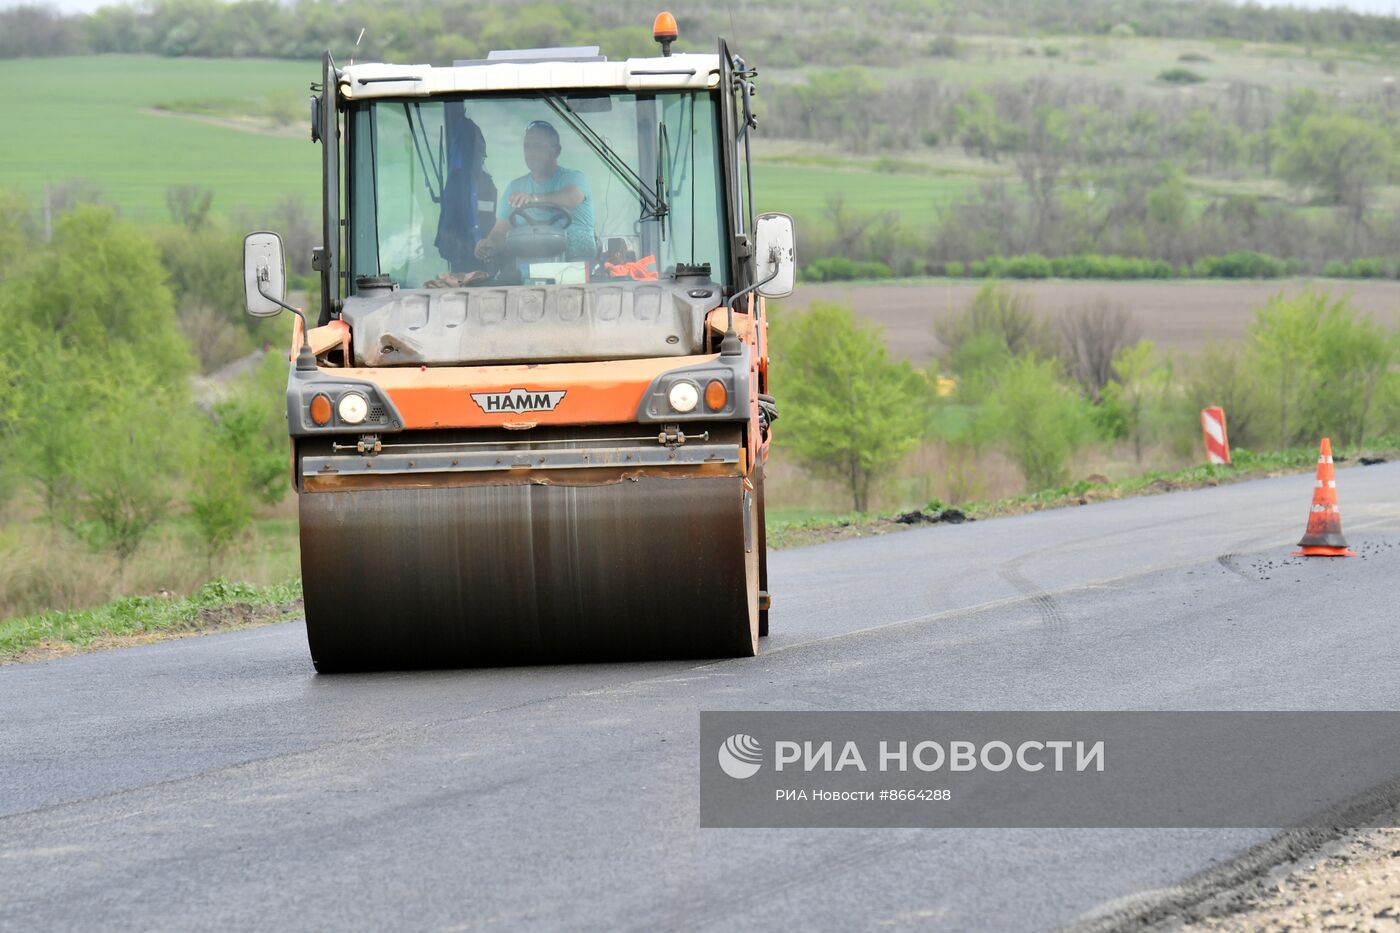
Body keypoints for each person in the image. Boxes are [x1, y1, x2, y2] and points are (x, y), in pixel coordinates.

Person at [474, 120, 597, 262]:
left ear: (556, 151)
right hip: (526, 273)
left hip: (577, 268)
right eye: (527, 146)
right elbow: (500, 231)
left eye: (538, 146)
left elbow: (571, 197)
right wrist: (490, 244)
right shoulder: (515, 187)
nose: (531, 153)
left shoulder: (575, 178)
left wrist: (534, 198)